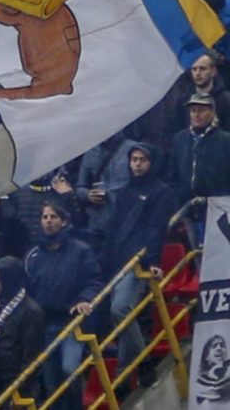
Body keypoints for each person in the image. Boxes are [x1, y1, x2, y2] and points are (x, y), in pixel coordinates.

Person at [102, 143, 175, 387]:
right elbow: (113, 227)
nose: (137, 164)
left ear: (151, 163)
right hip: (119, 261)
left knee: (120, 310)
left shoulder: (160, 191)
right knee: (124, 319)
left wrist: (152, 260)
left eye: (142, 159)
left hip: (138, 262)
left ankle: (143, 361)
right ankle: (122, 379)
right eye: (134, 159)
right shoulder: (124, 192)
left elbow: (156, 228)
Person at [25, 202, 103, 410]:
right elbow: (28, 289)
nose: (48, 221)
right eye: (45, 217)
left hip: (71, 322)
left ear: (64, 221)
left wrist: (84, 299)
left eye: (53, 217)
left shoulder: (81, 251)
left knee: (70, 370)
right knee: (51, 381)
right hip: (45, 324)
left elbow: (94, 281)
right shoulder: (33, 255)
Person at [0, 256, 45, 403]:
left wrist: (22, 390)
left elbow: (31, 356)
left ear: (11, 281)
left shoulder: (32, 312)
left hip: (16, 387)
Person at [165, 93, 230, 202]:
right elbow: (171, 174)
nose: (197, 115)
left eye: (202, 110)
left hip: (215, 204)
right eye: (193, 110)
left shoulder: (226, 140)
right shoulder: (180, 138)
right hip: (183, 203)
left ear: (213, 112)